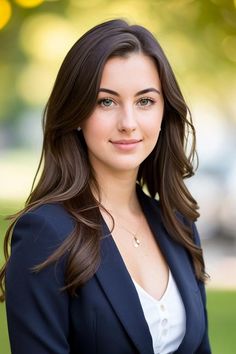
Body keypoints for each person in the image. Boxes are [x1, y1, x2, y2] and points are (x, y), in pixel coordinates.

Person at [0, 18, 211, 354]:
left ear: (163, 112)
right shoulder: (45, 234)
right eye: (106, 102)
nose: (128, 123)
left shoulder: (177, 224)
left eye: (145, 101)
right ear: (76, 114)